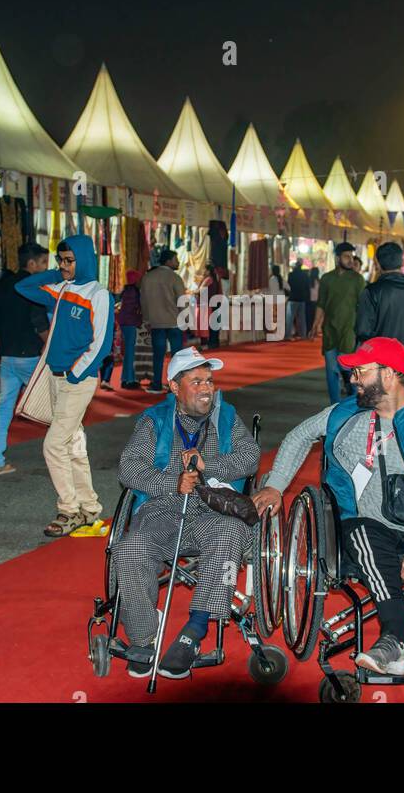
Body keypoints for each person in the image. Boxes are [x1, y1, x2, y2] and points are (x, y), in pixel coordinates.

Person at [253, 337, 404, 677]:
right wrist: (274, 485)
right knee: (361, 533)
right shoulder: (345, 414)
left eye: (361, 371)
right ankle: (393, 639)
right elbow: (300, 436)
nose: (353, 379)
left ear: (389, 375)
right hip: (369, 525)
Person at [115, 346, 261, 678]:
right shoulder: (155, 421)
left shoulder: (225, 416)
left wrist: (213, 466)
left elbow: (250, 456)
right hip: (164, 509)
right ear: (174, 387)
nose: (207, 388)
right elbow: (129, 468)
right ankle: (142, 637)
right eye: (196, 382)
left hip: (213, 509)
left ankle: (194, 631)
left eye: (209, 380)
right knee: (130, 547)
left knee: (231, 531)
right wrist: (171, 482)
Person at [17, 234, 113, 537]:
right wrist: (58, 272)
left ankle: (69, 510)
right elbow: (23, 287)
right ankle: (89, 507)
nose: (63, 265)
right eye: (60, 259)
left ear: (83, 259)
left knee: (54, 444)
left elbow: (102, 343)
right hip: (58, 378)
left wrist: (75, 372)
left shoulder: (98, 294)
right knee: (72, 445)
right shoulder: (62, 287)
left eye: (69, 260)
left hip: (77, 380)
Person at [0, 242, 50, 477]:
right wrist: (51, 344)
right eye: (43, 262)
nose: (46, 267)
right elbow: (39, 321)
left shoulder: (4, 286)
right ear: (31, 263)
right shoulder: (32, 287)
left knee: (4, 408)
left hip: (8, 355)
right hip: (29, 355)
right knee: (57, 407)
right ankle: (67, 458)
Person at [355, 242, 404, 362]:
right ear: (403, 263)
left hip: (379, 359)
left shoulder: (372, 291)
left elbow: (363, 331)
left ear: (377, 264)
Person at [312, 242, 365, 403]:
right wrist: (316, 324)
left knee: (347, 368)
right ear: (337, 258)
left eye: (351, 256)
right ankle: (334, 404)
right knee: (331, 370)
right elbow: (321, 303)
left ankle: (354, 402)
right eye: (346, 256)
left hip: (349, 330)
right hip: (329, 330)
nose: (350, 260)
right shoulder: (327, 279)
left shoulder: (357, 280)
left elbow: (363, 306)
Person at [140, 248, 185, 393]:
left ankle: (156, 384)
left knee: (158, 355)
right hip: (174, 322)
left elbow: (144, 301)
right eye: (175, 259)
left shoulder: (148, 277)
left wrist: (147, 319)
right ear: (168, 261)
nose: (178, 262)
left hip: (156, 322)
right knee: (176, 356)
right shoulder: (175, 278)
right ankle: (174, 385)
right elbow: (182, 301)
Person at [117, 269, 143, 389]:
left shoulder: (126, 291)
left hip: (125, 322)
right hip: (130, 322)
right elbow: (134, 309)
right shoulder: (134, 292)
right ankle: (129, 379)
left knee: (129, 351)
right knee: (130, 352)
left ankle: (127, 378)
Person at [197, 263, 222, 350]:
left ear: (208, 271)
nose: (203, 271)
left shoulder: (208, 279)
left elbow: (200, 291)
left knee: (206, 325)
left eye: (204, 270)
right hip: (214, 303)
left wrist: (195, 292)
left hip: (208, 304)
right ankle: (213, 343)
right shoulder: (215, 279)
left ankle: (208, 344)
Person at [286, 260, 311, 340]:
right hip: (302, 298)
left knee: (290, 318)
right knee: (302, 318)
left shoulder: (291, 275)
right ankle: (303, 335)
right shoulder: (305, 275)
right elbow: (307, 287)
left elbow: (289, 285)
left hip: (293, 298)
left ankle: (288, 335)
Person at [306, 266, 320, 333]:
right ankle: (313, 331)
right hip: (317, 301)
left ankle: (309, 330)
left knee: (309, 317)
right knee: (315, 317)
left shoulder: (308, 280)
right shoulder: (318, 281)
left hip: (309, 301)